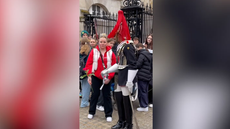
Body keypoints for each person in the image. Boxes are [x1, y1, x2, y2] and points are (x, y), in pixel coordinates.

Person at [102, 10, 138, 129]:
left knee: (126, 100)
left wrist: (130, 80)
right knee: (118, 98)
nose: (115, 36)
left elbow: (133, 64)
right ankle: (121, 121)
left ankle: (128, 124)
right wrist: (108, 70)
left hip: (127, 75)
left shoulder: (127, 46)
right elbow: (119, 64)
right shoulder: (121, 46)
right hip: (121, 75)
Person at [84, 35, 116, 122]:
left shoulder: (111, 52)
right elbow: (89, 64)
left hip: (106, 77)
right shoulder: (94, 51)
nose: (102, 43)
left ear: (106, 43)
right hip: (96, 76)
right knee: (95, 95)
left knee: (107, 95)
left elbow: (114, 66)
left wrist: (109, 77)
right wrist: (89, 75)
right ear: (98, 42)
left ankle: (108, 114)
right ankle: (91, 112)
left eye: (104, 42)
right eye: (101, 42)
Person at [135, 43, 152, 111]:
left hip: (142, 75)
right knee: (145, 90)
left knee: (142, 90)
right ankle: (144, 104)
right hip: (147, 74)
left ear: (139, 47)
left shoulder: (142, 55)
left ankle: (144, 106)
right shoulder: (148, 54)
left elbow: (138, 65)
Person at [80, 37, 91, 107]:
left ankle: (84, 101)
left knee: (83, 86)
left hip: (80, 71)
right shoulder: (89, 50)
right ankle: (84, 102)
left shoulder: (80, 50)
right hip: (86, 71)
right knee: (86, 88)